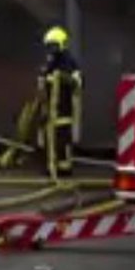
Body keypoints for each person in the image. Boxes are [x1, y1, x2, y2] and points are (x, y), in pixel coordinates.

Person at [38, 25, 82, 177]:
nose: (51, 50)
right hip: (50, 109)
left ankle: (64, 168)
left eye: (54, 46)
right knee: (49, 140)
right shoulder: (51, 63)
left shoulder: (69, 63)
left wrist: (62, 78)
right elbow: (43, 83)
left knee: (62, 140)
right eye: (49, 46)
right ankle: (52, 167)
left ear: (61, 44)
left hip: (63, 109)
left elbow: (77, 83)